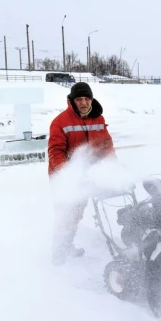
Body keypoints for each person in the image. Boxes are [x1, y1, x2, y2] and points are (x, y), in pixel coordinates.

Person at [47, 82, 116, 265]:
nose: (84, 102)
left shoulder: (98, 119)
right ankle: (58, 255)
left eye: (87, 98)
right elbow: (55, 152)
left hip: (86, 177)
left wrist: (112, 166)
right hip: (63, 177)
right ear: (72, 101)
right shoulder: (60, 122)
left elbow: (106, 145)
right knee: (66, 215)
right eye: (79, 99)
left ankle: (66, 245)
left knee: (76, 213)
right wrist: (70, 174)